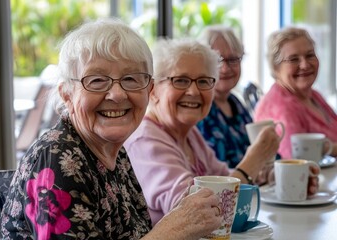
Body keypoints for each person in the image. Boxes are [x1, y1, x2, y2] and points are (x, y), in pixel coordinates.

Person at [0, 19, 223, 240]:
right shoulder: (56, 157)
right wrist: (173, 231)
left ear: (148, 90)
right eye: (96, 80)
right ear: (67, 94)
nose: (117, 94)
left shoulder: (114, 151)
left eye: (131, 79)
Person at [124, 38, 289, 226]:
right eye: (181, 80)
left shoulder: (190, 134)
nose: (194, 91)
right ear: (153, 91)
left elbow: (224, 176)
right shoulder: (145, 140)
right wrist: (253, 161)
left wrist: (276, 176)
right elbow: (194, 209)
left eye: (203, 81)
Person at [254, 26, 337, 158]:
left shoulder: (313, 95)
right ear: (276, 68)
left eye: (310, 55)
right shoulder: (281, 107)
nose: (305, 65)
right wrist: (331, 148)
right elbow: (295, 159)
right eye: (294, 59)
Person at [197, 25, 264, 168]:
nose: (225, 68)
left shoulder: (235, 103)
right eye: (217, 60)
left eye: (233, 59)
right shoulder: (199, 109)